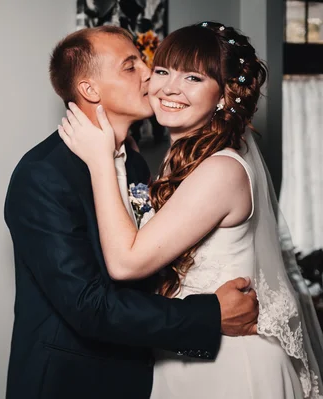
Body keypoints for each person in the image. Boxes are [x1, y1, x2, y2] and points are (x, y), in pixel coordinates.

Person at [58, 22, 323, 398]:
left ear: (223, 95)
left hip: (229, 367)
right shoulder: (178, 160)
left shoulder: (221, 170)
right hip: (184, 355)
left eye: (193, 77)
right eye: (163, 71)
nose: (168, 87)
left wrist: (101, 161)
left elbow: (126, 263)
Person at [3, 25, 259, 399]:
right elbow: (89, 306)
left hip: (144, 373)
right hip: (72, 382)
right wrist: (209, 314)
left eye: (144, 60)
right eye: (130, 66)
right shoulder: (44, 174)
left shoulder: (137, 165)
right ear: (90, 89)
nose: (149, 73)